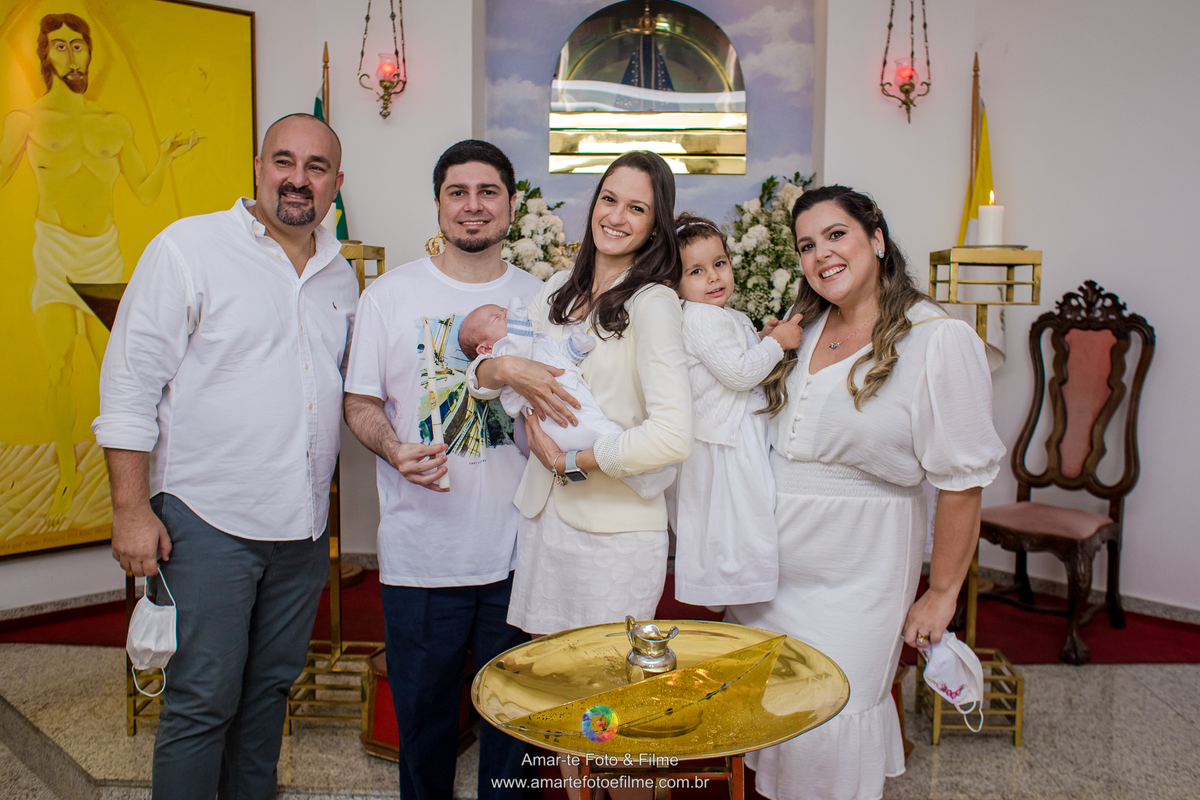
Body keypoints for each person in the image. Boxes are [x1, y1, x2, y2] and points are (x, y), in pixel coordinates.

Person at [92, 113, 355, 800]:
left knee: (268, 695)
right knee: (202, 699)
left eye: (316, 167)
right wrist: (130, 509)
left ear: (336, 183)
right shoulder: (188, 248)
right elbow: (128, 385)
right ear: (259, 167)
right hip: (205, 522)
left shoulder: (339, 275)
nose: (297, 179)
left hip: (301, 530)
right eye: (283, 161)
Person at [725, 185, 1005, 800]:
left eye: (836, 235)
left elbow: (962, 482)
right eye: (806, 245)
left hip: (859, 574)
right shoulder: (800, 328)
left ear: (876, 239)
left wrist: (941, 594)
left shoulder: (937, 339)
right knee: (771, 721)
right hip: (768, 571)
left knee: (830, 724)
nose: (821, 254)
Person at [342, 140, 538, 800]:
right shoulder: (390, 296)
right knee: (424, 736)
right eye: (458, 192)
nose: (472, 205)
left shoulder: (541, 299)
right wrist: (394, 448)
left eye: (488, 192)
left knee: (514, 742)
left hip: (519, 556)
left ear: (511, 204)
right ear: (438, 204)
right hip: (423, 557)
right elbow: (360, 402)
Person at [471, 150, 692, 638]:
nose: (616, 216)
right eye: (609, 199)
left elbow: (673, 436)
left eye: (636, 208)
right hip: (543, 522)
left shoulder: (653, 303)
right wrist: (503, 366)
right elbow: (484, 383)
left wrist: (569, 461)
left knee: (602, 678)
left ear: (656, 226)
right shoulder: (557, 289)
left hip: (614, 533)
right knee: (547, 670)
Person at [0, 13, 198, 524]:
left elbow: (145, 192)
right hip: (53, 253)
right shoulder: (27, 120)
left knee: (122, 368)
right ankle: (67, 472)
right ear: (46, 56)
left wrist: (165, 158)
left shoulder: (114, 125)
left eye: (78, 45)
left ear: (89, 53)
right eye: (60, 46)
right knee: (58, 366)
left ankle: (132, 482)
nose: (72, 55)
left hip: (104, 257)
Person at [668, 213, 803, 607]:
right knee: (731, 517)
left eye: (719, 263)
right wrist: (778, 344)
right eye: (696, 271)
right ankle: (733, 585)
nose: (713, 277)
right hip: (722, 441)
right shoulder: (700, 316)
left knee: (743, 513)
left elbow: (732, 355)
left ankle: (739, 584)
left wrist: (761, 336)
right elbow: (739, 373)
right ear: (675, 283)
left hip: (735, 432)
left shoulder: (725, 314)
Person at [458, 297, 675, 499]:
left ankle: (644, 480)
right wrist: (517, 320)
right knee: (602, 435)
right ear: (486, 348)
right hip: (555, 415)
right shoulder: (505, 350)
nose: (506, 314)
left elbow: (559, 353)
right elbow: (517, 350)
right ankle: (646, 474)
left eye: (504, 311)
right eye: (497, 317)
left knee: (602, 433)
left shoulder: (536, 340)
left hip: (571, 397)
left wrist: (575, 347)